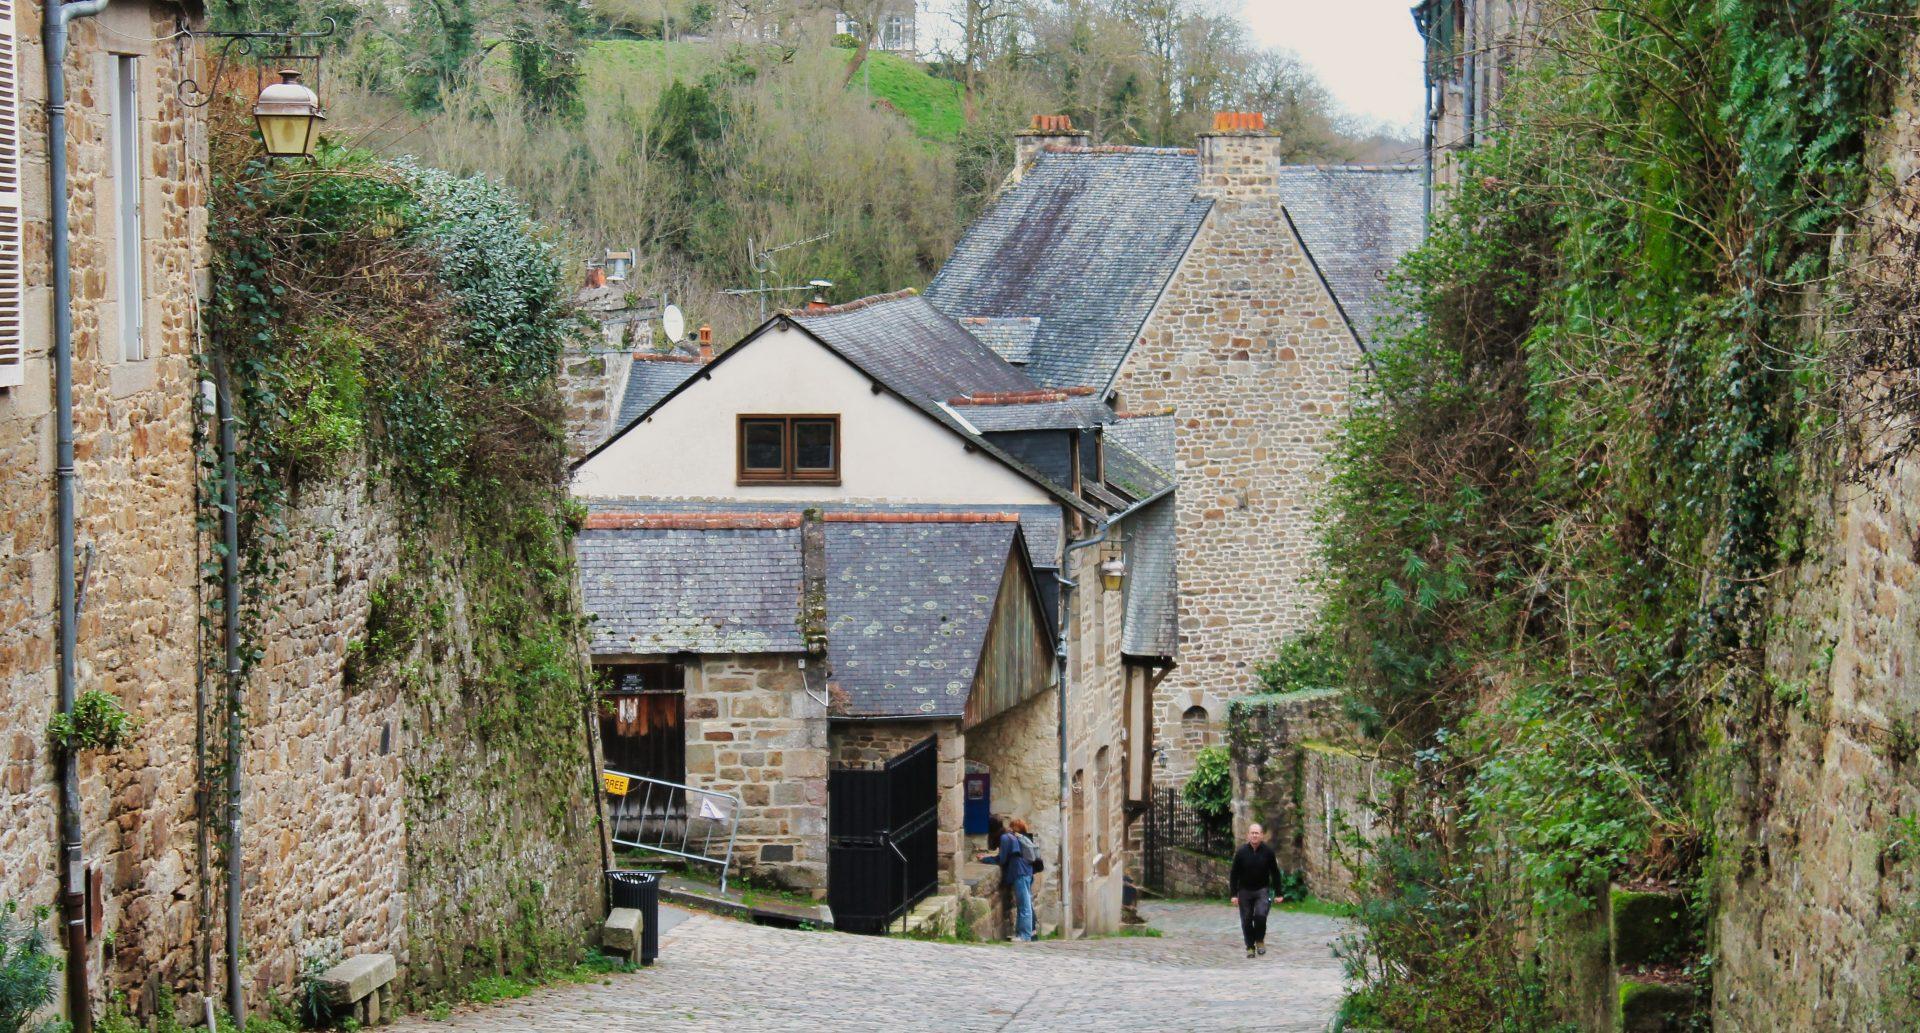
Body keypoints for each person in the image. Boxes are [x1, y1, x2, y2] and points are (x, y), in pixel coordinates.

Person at [1229, 823, 1282, 958]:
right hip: (1245, 891)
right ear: (1248, 835)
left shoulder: (1268, 852)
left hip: (1261, 890)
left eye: (1257, 833)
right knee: (1246, 920)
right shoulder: (1241, 853)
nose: (1254, 835)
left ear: (1262, 835)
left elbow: (1275, 873)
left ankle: (1259, 940)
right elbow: (1234, 874)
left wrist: (1279, 893)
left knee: (1260, 916)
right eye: (1252, 833)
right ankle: (1250, 947)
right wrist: (1234, 894)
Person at [980, 817, 1036, 941]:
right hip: (1025, 870)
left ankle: (1025, 935)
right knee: (1025, 903)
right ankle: (1025, 933)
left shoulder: (1005, 838)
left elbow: (1002, 859)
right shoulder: (1010, 835)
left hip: (1019, 872)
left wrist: (985, 859)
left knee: (1024, 904)